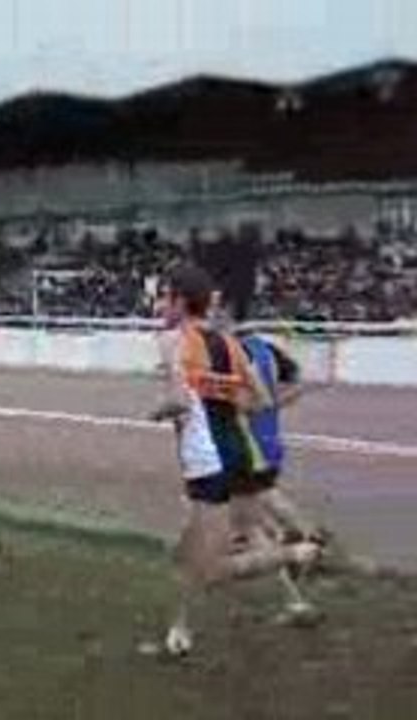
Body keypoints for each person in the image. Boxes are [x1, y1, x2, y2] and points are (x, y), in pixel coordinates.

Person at [149, 264, 321, 657]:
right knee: (200, 548)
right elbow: (258, 401)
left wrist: (158, 412)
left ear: (178, 300)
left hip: (207, 462)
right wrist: (220, 397)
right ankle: (180, 631)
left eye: (164, 297)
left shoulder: (173, 341)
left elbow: (177, 400)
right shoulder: (230, 344)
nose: (160, 305)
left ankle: (296, 552)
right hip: (240, 452)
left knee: (206, 565)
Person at [232, 325, 327, 622]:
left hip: (246, 444)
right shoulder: (264, 348)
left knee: (251, 520)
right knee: (267, 497)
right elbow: (297, 382)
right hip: (269, 441)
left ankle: (295, 592)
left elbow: (240, 401)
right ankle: (310, 540)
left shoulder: (232, 352)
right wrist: (274, 405)